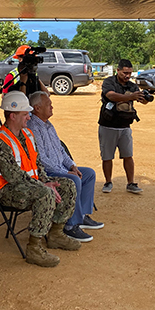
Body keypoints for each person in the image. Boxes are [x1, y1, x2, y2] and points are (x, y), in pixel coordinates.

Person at [0, 91, 79, 267]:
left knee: (67, 184)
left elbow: (38, 166)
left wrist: (46, 181)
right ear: (12, 116)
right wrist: (44, 185)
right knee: (45, 194)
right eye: (25, 114)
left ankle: (56, 234)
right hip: (6, 190)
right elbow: (13, 176)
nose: (29, 118)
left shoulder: (28, 135)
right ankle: (34, 249)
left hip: (30, 185)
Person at [28, 91, 102, 242]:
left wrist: (72, 166)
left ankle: (81, 216)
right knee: (74, 180)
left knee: (89, 174)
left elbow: (60, 149)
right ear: (37, 108)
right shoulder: (33, 127)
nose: (52, 107)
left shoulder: (48, 124)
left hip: (60, 168)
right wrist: (65, 171)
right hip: (47, 172)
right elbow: (40, 159)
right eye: (48, 104)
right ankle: (70, 225)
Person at [98, 59, 149, 194]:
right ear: (118, 70)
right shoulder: (109, 82)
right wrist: (130, 96)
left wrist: (144, 98)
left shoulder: (132, 86)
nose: (127, 76)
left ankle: (130, 183)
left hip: (125, 126)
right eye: (125, 73)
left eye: (129, 73)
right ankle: (108, 182)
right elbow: (111, 96)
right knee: (107, 156)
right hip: (108, 125)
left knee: (128, 155)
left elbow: (142, 102)